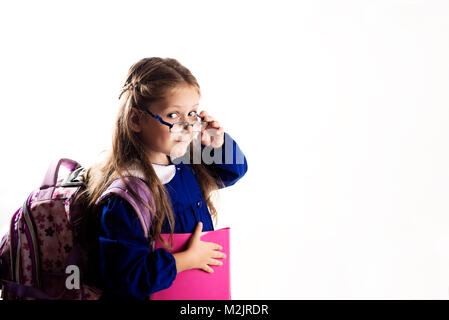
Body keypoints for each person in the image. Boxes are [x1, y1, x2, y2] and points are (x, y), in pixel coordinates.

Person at [78, 57, 248, 300]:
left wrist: (217, 145)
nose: (188, 127)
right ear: (136, 120)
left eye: (191, 113)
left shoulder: (183, 162)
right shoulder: (128, 196)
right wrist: (184, 261)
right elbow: (124, 280)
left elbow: (233, 173)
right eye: (173, 115)